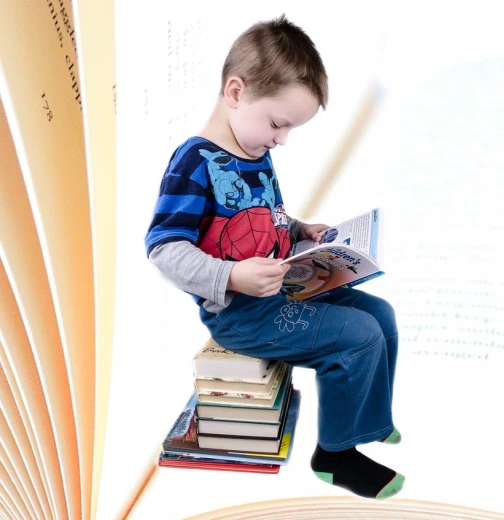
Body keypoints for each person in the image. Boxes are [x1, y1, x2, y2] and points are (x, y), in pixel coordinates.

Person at [143, 15, 403, 500]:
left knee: (381, 316)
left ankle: (369, 420)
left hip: (285, 288)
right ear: (235, 92)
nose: (282, 139)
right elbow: (163, 247)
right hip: (243, 316)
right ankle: (335, 455)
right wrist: (231, 275)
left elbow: (266, 217)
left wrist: (302, 230)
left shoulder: (252, 148)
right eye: (279, 124)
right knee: (358, 337)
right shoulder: (193, 163)